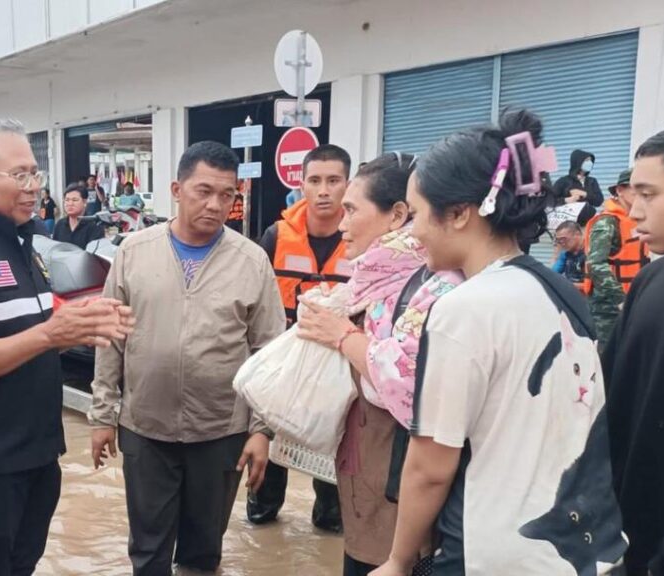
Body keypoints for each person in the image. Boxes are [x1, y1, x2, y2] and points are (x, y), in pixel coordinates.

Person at [370, 110, 627, 576]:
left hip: (498, 554)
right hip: (592, 548)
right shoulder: (562, 291)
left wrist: (398, 560)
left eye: (418, 214)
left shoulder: (464, 309)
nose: (412, 232)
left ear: (460, 214)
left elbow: (430, 466)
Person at [0, 118, 133, 575]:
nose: (34, 187)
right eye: (20, 176)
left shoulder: (23, 242)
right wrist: (51, 335)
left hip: (38, 452)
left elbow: (28, 336)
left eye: (36, 174)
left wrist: (78, 326)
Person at [89, 141, 284, 576]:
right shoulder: (133, 252)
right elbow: (110, 337)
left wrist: (262, 431)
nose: (215, 205)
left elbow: (269, 352)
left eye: (227, 195)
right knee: (147, 549)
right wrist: (103, 415)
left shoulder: (251, 261)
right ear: (177, 189)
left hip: (221, 431)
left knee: (203, 551)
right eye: (203, 191)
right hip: (145, 426)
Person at [296, 152, 463, 575]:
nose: (341, 220)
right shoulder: (378, 278)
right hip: (369, 474)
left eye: (352, 209)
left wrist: (342, 335)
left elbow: (408, 388)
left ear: (397, 215)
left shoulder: (435, 283)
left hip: (401, 478)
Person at [251, 144, 352, 532]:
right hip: (282, 366)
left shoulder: (362, 237)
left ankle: (328, 523)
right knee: (267, 474)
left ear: (348, 184)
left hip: (336, 371)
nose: (324, 190)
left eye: (333, 181)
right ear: (301, 185)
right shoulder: (275, 236)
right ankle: (261, 519)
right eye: (315, 181)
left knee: (332, 492)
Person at [603, 121, 664, 576]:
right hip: (628, 540)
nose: (633, 213)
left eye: (649, 194)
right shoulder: (653, 281)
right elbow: (609, 402)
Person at [584, 168, 649, 350]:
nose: (640, 196)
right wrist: (619, 298)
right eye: (635, 189)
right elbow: (596, 263)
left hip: (633, 299)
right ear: (620, 190)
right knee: (605, 356)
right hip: (608, 307)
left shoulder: (636, 221)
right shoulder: (606, 222)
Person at [53, 184, 106, 249]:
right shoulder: (60, 224)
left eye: (74, 200)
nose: (70, 204)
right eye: (67, 200)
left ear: (85, 202)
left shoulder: (95, 226)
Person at [552, 221, 587, 291]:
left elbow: (595, 286)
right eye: (558, 240)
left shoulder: (592, 252)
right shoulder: (565, 254)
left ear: (577, 234)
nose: (562, 243)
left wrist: (567, 285)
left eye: (563, 239)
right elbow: (552, 274)